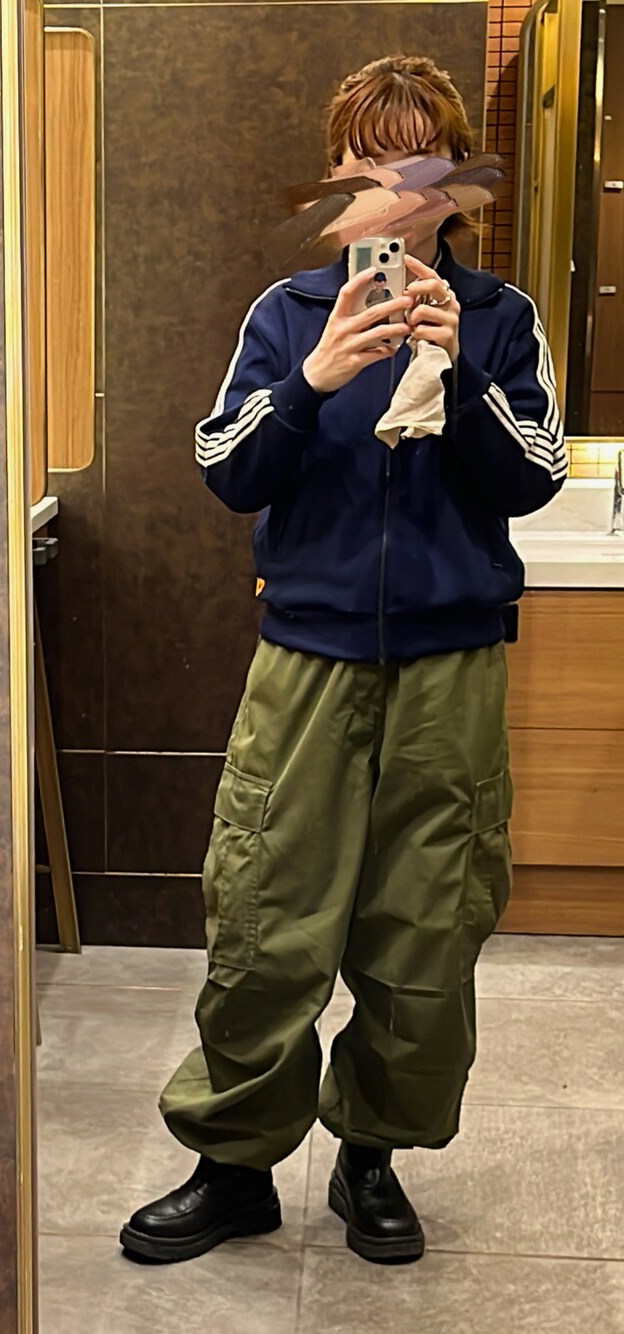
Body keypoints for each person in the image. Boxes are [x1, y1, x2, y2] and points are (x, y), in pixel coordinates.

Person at [120, 55, 565, 1268]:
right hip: (305, 661)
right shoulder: (285, 313)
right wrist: (315, 378)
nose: (394, 190)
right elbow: (227, 470)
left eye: (422, 164)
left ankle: (371, 1155)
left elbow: (532, 474)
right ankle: (233, 1166)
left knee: (426, 929)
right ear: (335, 183)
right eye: (368, 164)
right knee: (263, 916)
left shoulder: (501, 318)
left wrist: (459, 373)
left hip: (450, 667)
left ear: (457, 187)